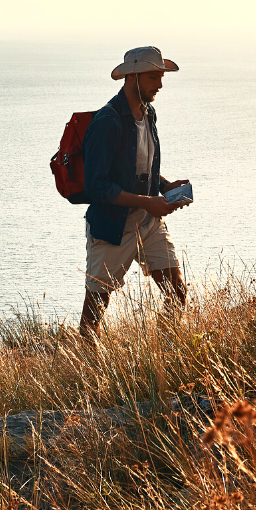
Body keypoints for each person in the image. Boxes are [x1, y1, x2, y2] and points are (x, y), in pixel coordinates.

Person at [79, 46, 192, 337]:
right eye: (154, 76)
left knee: (177, 294)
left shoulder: (148, 113)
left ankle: (165, 361)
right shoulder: (107, 122)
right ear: (133, 77)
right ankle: (90, 374)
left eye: (161, 76)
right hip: (113, 228)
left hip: (148, 222)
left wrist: (166, 188)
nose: (160, 84)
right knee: (93, 316)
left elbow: (142, 169)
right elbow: (97, 187)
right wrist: (149, 202)